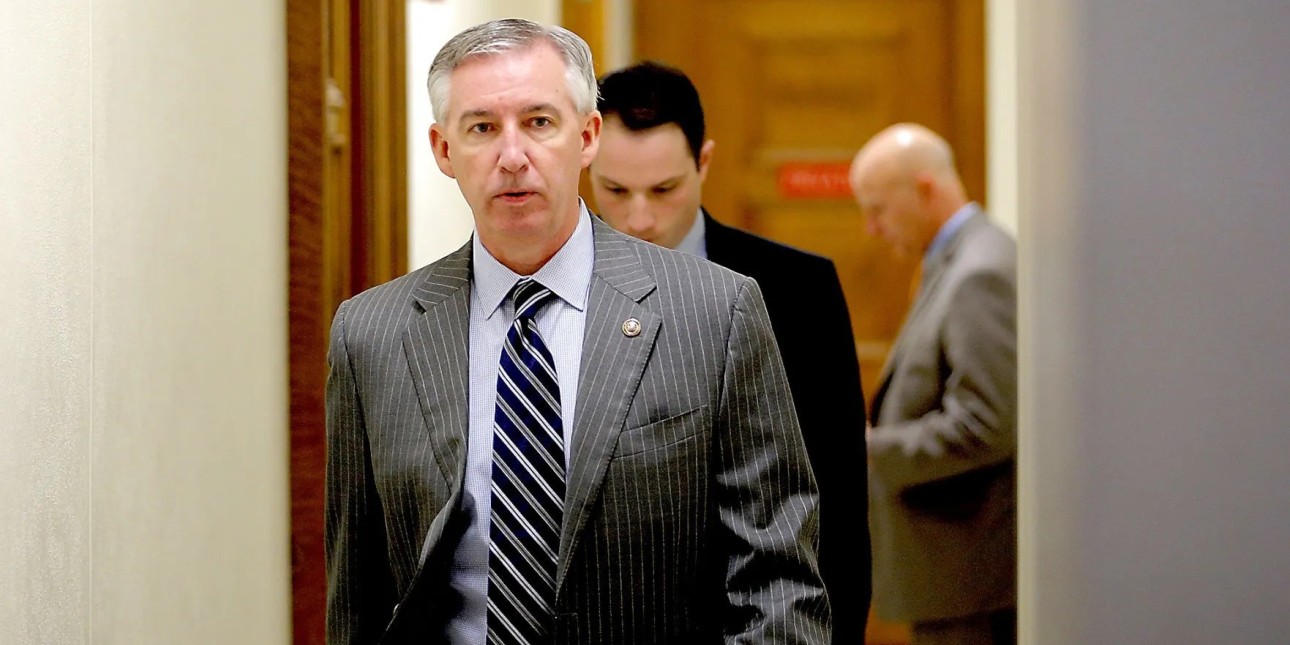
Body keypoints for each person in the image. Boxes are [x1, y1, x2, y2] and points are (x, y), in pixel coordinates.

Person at [324, 19, 830, 644]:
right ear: (443, 150)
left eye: (539, 122)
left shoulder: (716, 311)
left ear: (586, 136)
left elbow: (777, 584)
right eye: (482, 128)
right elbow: (357, 595)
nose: (513, 157)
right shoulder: (372, 334)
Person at [589, 61, 871, 644]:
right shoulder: (552, 290)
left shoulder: (799, 289)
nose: (640, 219)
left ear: (704, 164)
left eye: (665, 190)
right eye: (615, 191)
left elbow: (837, 501)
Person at [849, 123, 1017, 645]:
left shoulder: (978, 274)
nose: (872, 228)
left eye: (877, 209)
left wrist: (870, 449)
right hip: (957, 578)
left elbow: (987, 424)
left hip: (970, 581)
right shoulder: (960, 259)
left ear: (924, 189)